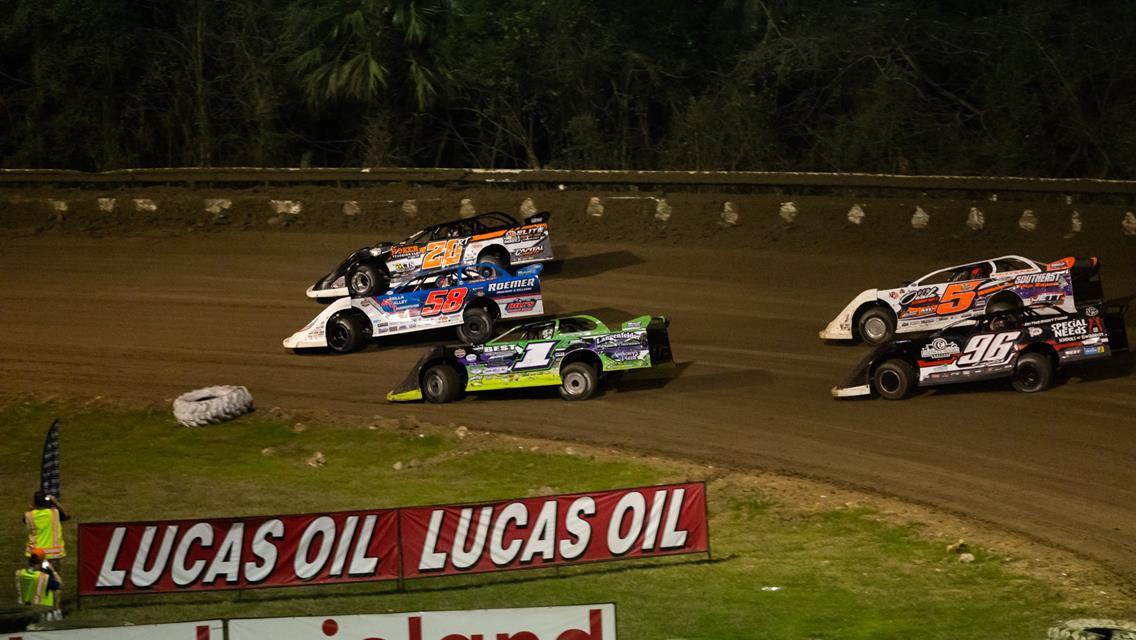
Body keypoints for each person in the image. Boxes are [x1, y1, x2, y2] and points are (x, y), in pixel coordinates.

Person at [15, 549, 63, 622]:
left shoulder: (19, 573)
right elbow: (61, 585)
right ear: (42, 562)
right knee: (57, 590)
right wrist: (53, 571)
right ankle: (57, 614)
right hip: (40, 613)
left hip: (23, 611)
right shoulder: (43, 578)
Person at [24, 491, 68, 564]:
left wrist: (31, 507)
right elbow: (66, 516)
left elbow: (24, 519)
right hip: (53, 553)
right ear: (45, 501)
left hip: (35, 552)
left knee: (37, 575)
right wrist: (55, 502)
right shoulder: (54, 513)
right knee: (52, 574)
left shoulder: (29, 515)